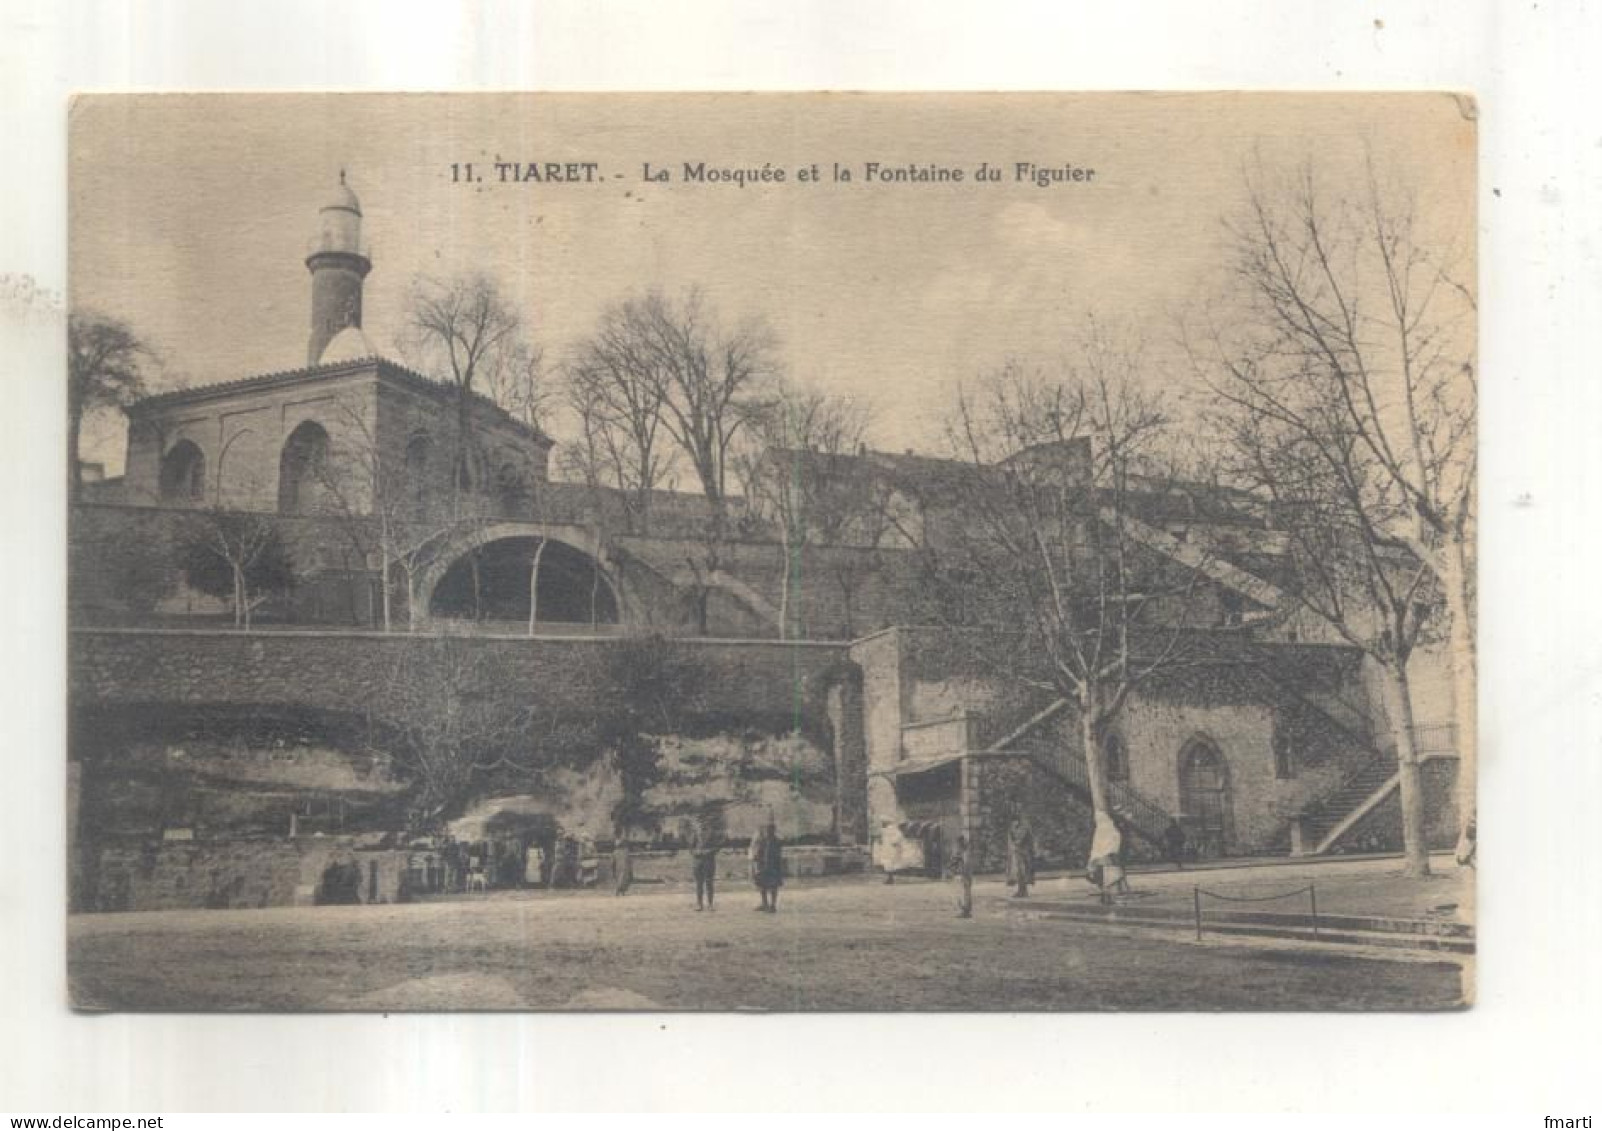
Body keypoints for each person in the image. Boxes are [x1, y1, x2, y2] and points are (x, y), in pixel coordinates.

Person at [1087, 810, 1130, 905]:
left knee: (1113, 879)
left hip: (1110, 858)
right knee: (1109, 879)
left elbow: (1115, 845)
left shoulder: (1115, 831)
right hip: (1107, 858)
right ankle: (1109, 896)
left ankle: (1112, 896)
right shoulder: (1109, 830)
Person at [749, 816, 785, 913]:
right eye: (767, 830)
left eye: (770, 830)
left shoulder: (776, 841)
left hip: (773, 866)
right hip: (763, 865)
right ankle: (765, 903)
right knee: (762, 885)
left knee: (773, 886)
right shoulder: (763, 841)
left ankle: (772, 905)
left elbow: (777, 855)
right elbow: (758, 852)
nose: (768, 832)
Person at [690, 818, 718, 911]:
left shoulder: (713, 834)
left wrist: (708, 852)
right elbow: (691, 848)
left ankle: (710, 904)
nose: (702, 825)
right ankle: (699, 904)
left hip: (709, 861)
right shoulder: (695, 834)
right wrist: (696, 852)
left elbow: (717, 847)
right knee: (699, 883)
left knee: (709, 882)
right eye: (700, 823)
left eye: (704, 822)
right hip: (698, 861)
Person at [1006, 815, 1035, 898]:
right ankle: (1020, 890)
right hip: (1016, 853)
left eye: (1015, 822)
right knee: (1018, 873)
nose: (1013, 824)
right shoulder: (1012, 827)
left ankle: (1024, 891)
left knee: (1023, 872)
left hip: (1024, 853)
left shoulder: (1024, 827)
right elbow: (1010, 839)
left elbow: (1021, 839)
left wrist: (1015, 845)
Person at [947, 833, 974, 919]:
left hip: (964, 874)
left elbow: (961, 863)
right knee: (966, 892)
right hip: (966, 874)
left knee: (964, 893)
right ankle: (966, 910)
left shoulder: (963, 853)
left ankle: (965, 911)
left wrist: (956, 871)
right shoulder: (966, 852)